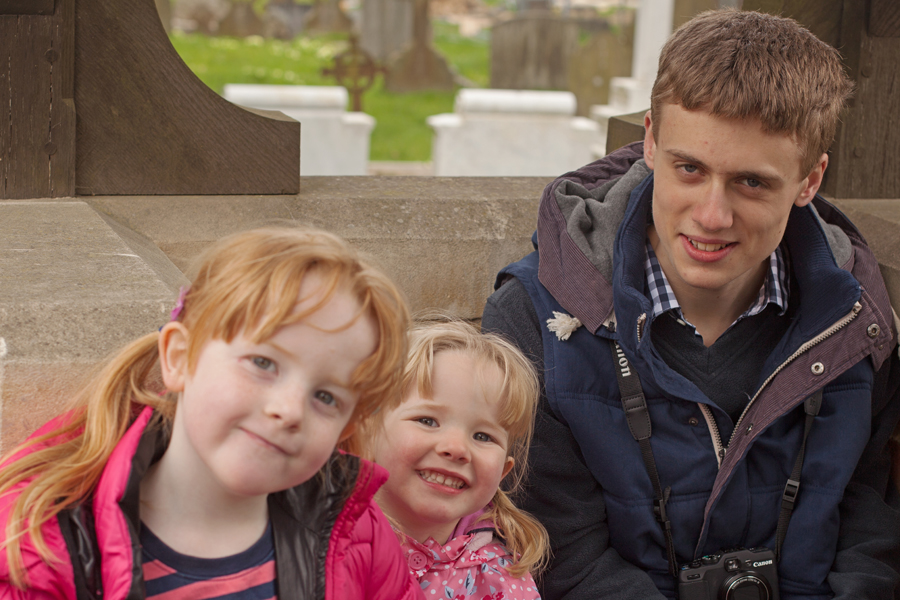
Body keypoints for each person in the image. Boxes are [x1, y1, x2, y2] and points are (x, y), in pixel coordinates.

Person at [482, 9, 900, 600]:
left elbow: (870, 530)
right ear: (651, 141)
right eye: (689, 169)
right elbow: (563, 556)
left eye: (751, 182)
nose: (711, 215)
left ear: (810, 180)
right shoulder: (534, 320)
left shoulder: (858, 323)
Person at [0, 227, 424, 600]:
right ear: (179, 358)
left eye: (327, 397)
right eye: (263, 363)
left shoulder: (359, 536)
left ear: (344, 428)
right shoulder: (42, 545)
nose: (289, 410)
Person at [349, 320, 549, 600]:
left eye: (483, 436)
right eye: (427, 420)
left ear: (502, 472)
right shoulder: (316, 538)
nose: (457, 448)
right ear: (366, 432)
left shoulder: (503, 579)